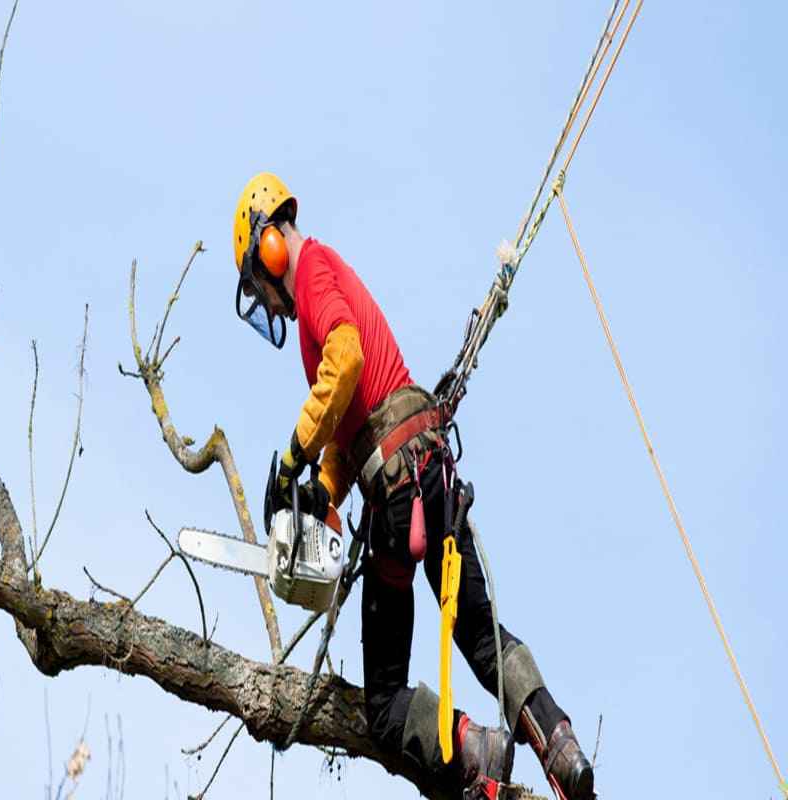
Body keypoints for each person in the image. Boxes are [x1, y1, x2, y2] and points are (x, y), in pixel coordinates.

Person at [231, 172, 595, 800]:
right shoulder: (328, 280)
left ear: (268, 246)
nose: (268, 298)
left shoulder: (314, 271)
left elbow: (343, 362)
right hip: (430, 476)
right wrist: (321, 491)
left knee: (384, 702)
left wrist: (292, 456)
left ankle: (475, 748)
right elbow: (351, 426)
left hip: (399, 498)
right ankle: (559, 744)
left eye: (257, 280)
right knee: (480, 632)